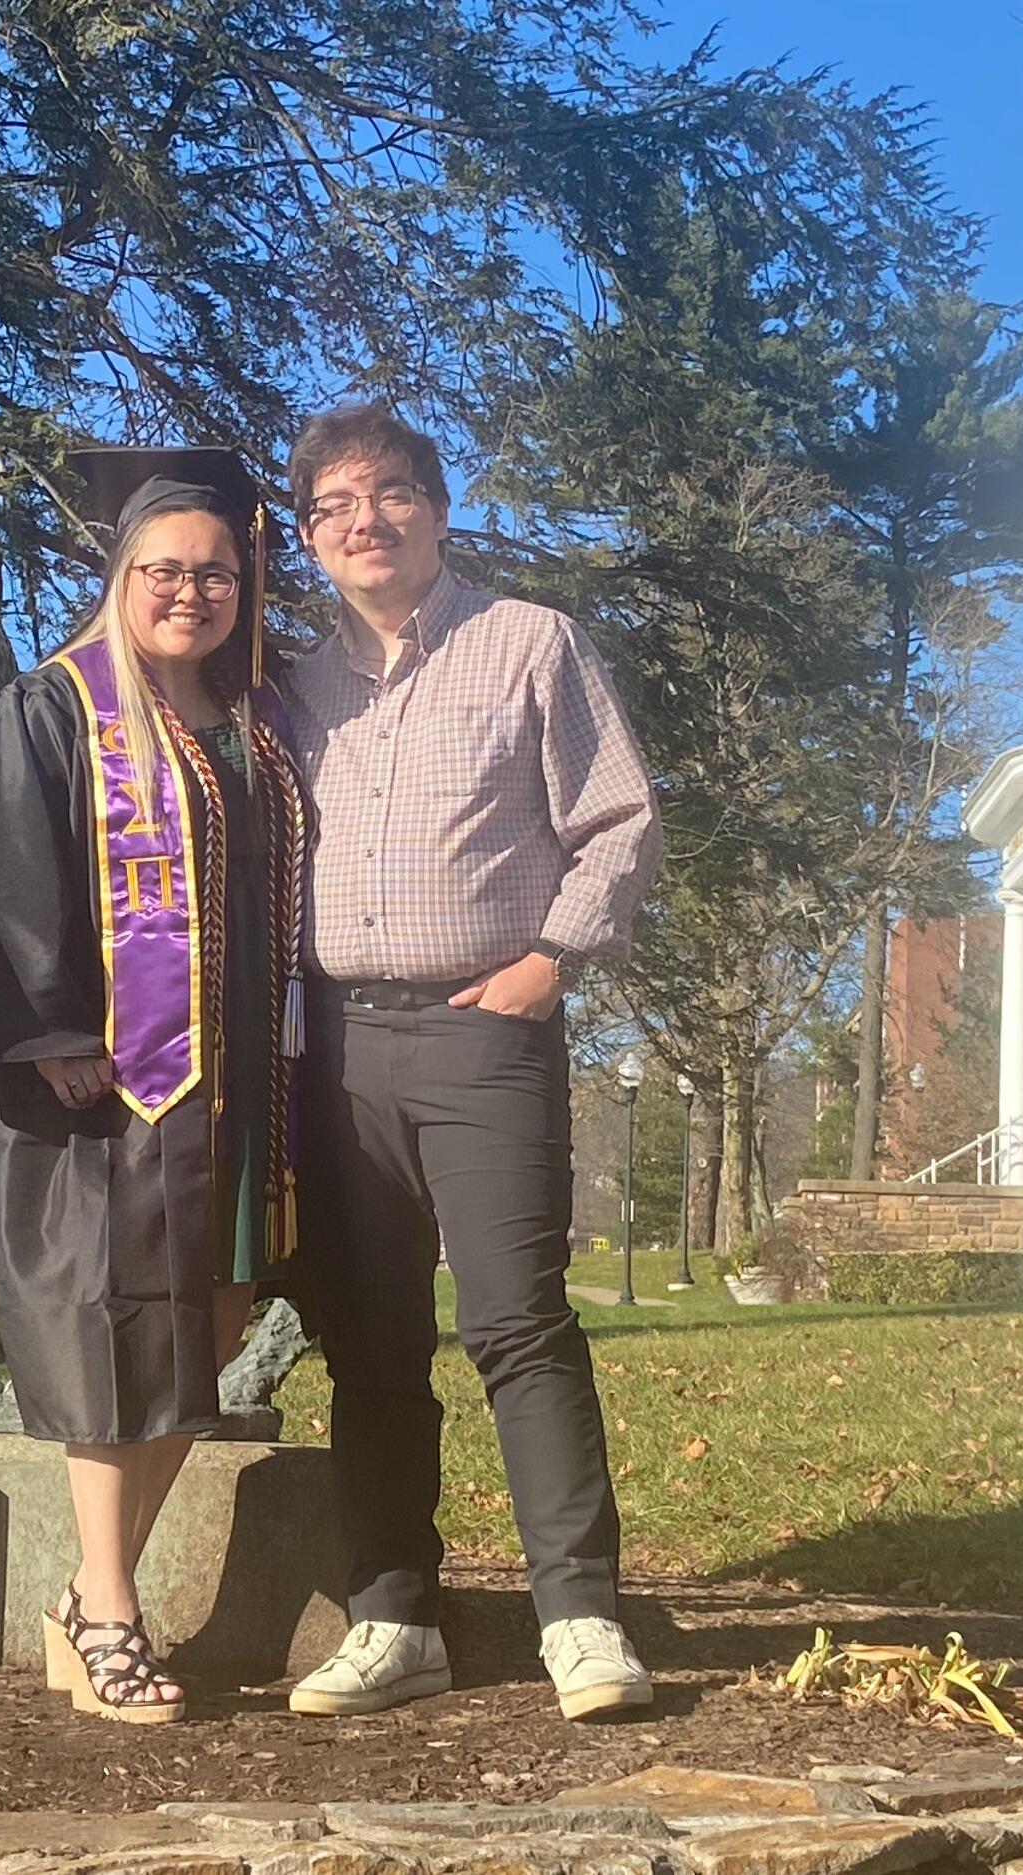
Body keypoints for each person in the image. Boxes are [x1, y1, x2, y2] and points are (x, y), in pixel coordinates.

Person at [278, 406, 664, 1723]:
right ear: (310, 536)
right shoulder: (294, 692)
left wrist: (552, 958)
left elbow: (619, 818)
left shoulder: (530, 644)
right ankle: (394, 1620)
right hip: (337, 1049)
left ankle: (581, 1618)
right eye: (334, 504)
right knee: (371, 1341)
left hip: (483, 1033)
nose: (365, 520)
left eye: (390, 492)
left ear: (438, 511)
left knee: (516, 1321)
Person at [0, 447, 307, 1724]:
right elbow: (9, 874)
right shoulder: (53, 709)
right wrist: (49, 1032)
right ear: (120, 574)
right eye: (165, 569)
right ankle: (108, 1610)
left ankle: (89, 1597)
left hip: (239, 1086)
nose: (191, 591)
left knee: (210, 1330)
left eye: (216, 572)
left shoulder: (256, 720)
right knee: (116, 1335)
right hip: (115, 1086)